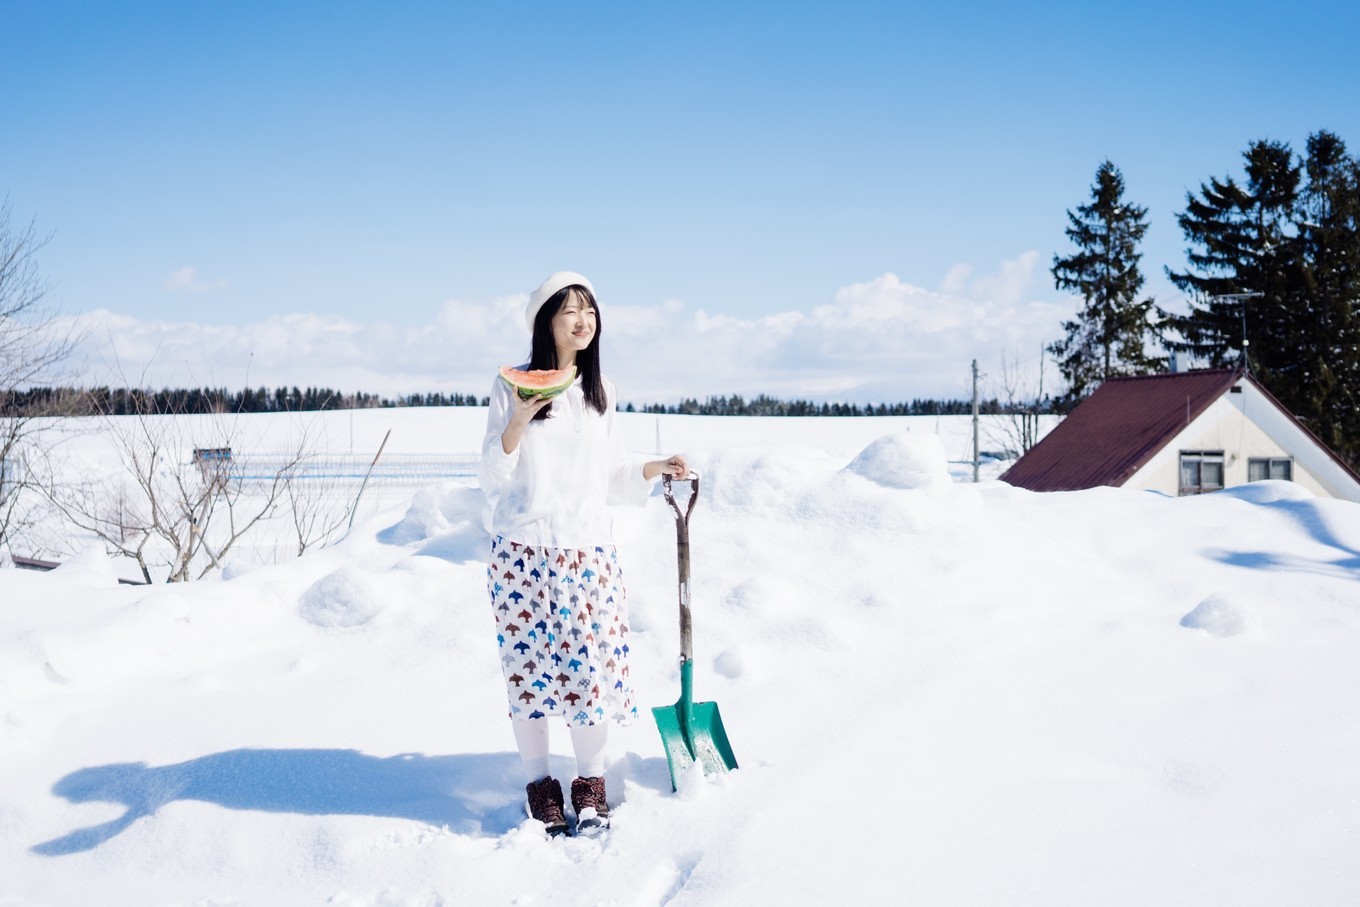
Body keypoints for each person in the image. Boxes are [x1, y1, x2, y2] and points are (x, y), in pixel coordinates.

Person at [479, 270, 688, 837]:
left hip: (588, 552)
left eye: (590, 311)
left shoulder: (603, 393)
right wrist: (520, 418)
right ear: (546, 320)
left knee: (588, 673)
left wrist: (653, 467)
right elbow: (492, 476)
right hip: (524, 550)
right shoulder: (512, 386)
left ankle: (589, 786)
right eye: (570, 310)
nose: (583, 320)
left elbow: (612, 473)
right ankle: (540, 787)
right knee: (530, 675)